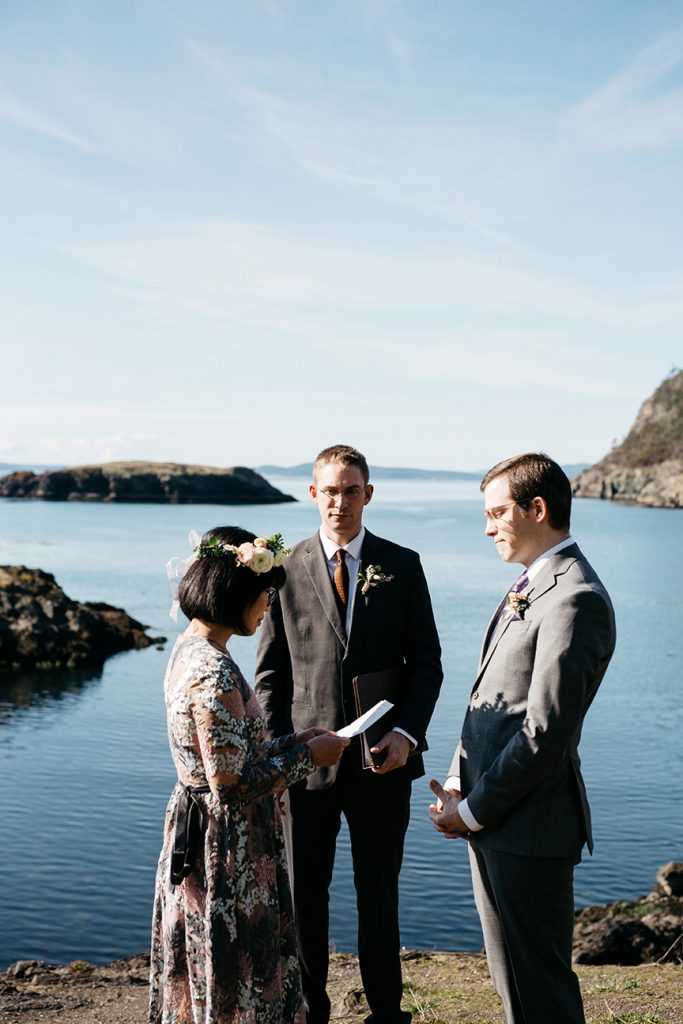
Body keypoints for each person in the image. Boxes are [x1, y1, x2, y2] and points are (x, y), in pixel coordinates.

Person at [255, 445, 443, 1024]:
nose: (340, 501)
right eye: (329, 490)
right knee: (305, 900)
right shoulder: (281, 569)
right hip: (306, 769)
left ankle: (387, 1013)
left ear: (368, 493)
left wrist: (407, 735)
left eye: (351, 489)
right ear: (313, 494)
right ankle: (312, 1012)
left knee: (379, 897)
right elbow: (269, 676)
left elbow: (427, 664)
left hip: (381, 764)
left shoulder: (402, 564)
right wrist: (280, 762)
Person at [429, 453, 616, 1024]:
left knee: (540, 991)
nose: (487, 528)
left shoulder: (573, 598)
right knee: (514, 983)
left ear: (538, 508)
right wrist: (460, 786)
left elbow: (543, 733)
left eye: (496, 513)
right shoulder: (534, 583)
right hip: (498, 819)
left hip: (528, 828)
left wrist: (475, 812)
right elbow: (492, 700)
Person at [149, 526, 349, 1024]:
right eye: (266, 595)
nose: (267, 609)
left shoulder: (190, 649)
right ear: (238, 592)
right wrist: (309, 759)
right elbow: (230, 784)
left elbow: (238, 752)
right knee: (233, 967)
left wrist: (295, 740)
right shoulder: (211, 672)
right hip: (224, 847)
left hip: (213, 830)